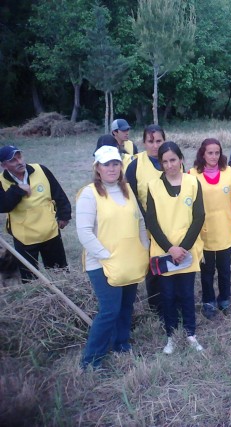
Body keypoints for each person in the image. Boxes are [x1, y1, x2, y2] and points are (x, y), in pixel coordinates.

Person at [76, 146, 149, 369]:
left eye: (116, 163)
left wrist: (143, 249)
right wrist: (106, 256)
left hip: (128, 261)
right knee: (109, 310)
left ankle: (121, 343)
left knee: (126, 306)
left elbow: (140, 223)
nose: (112, 168)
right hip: (102, 264)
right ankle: (91, 360)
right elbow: (84, 232)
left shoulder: (126, 190)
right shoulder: (90, 193)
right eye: (106, 164)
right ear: (97, 168)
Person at [145, 141, 205, 354]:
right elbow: (151, 221)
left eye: (173, 159)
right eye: (165, 161)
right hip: (164, 252)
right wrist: (171, 249)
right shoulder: (153, 186)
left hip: (187, 252)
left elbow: (199, 217)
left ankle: (190, 334)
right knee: (167, 296)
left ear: (181, 159)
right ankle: (170, 336)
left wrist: (183, 248)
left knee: (187, 294)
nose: (170, 165)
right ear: (160, 164)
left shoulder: (192, 182)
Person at [190, 138, 231, 319]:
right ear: (202, 154)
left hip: (224, 228)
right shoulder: (192, 175)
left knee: (225, 269)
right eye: (210, 153)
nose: (214, 156)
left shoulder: (229, 172)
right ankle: (208, 302)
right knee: (207, 270)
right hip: (203, 231)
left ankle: (224, 300)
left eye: (217, 153)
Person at [0, 145, 71, 281]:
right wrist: (18, 190)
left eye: (19, 156)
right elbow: (3, 206)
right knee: (29, 279)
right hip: (24, 237)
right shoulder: (1, 181)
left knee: (60, 273)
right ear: (4, 165)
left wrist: (64, 215)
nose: (19, 162)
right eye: (13, 160)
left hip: (50, 232)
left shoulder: (41, 170)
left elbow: (58, 193)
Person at [125, 124, 166, 316]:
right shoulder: (135, 165)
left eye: (159, 141)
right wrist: (148, 220)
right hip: (148, 226)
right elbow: (131, 197)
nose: (155, 145)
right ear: (144, 142)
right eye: (151, 141)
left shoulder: (172, 159)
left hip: (173, 223)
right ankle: (156, 305)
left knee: (172, 262)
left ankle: (173, 299)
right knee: (154, 266)